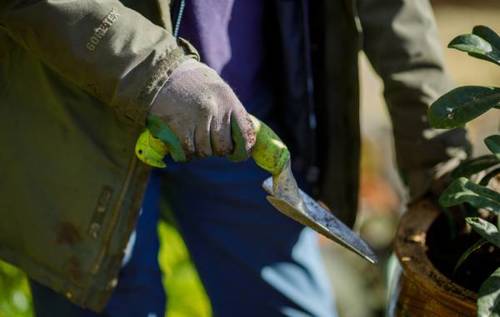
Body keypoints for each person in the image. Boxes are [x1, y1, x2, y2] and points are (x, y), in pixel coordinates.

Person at [0, 0, 470, 316]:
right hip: (79, 110)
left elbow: (395, 10)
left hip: (244, 118)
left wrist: (439, 153)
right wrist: (154, 72)